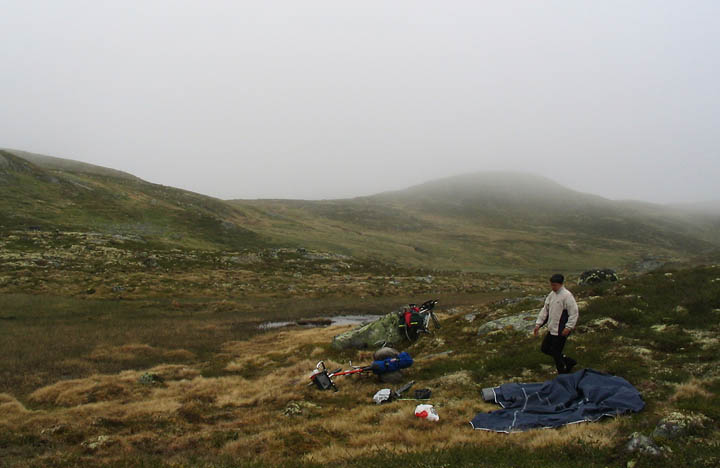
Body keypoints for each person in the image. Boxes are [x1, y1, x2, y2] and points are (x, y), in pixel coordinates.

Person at [533, 274, 579, 374]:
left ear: (561, 284)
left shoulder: (567, 296)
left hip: (561, 330)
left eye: (555, 285)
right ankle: (569, 361)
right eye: (552, 285)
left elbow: (574, 313)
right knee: (545, 348)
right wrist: (538, 324)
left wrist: (568, 327)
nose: (553, 287)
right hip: (552, 329)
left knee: (556, 352)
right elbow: (545, 310)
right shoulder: (551, 295)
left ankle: (562, 373)